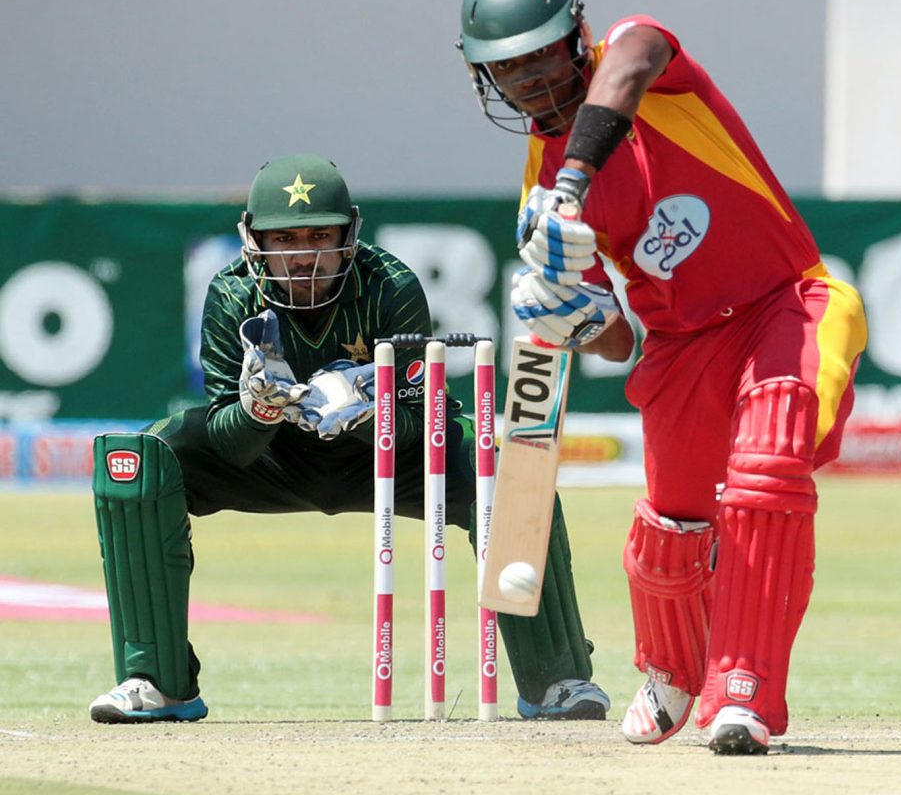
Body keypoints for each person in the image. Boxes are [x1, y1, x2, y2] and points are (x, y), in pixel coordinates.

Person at [457, 0, 868, 754]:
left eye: (540, 54)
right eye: (506, 66)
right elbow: (616, 341)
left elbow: (633, 63)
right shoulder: (535, 189)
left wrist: (572, 185)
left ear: (576, 38)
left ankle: (741, 689)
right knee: (672, 524)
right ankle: (671, 669)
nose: (528, 78)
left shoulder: (639, 57)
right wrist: (575, 314)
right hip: (680, 348)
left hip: (785, 302)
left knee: (767, 468)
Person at [88, 153, 610, 723]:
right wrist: (261, 409)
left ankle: (556, 678)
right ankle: (156, 682)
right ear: (253, 239)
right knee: (136, 463)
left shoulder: (389, 286)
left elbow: (423, 425)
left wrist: (369, 411)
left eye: (320, 235)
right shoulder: (232, 294)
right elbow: (228, 443)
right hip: (270, 457)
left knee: (511, 477)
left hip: (385, 458)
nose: (304, 254)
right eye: (284, 238)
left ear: (349, 236)